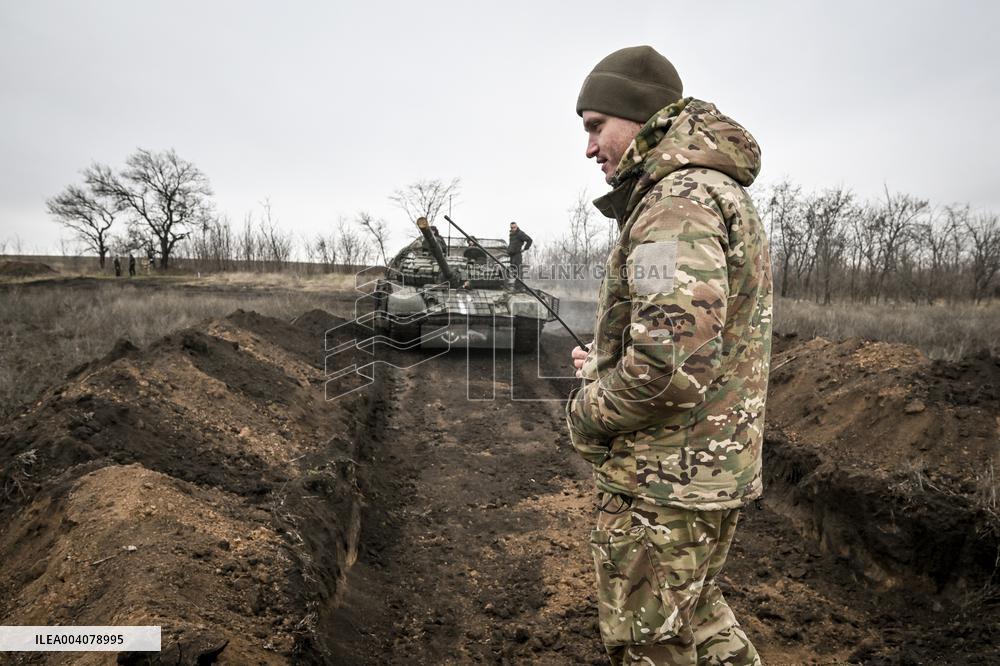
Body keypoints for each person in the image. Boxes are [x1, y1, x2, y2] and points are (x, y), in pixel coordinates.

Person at [565, 45, 772, 665]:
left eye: (596, 127)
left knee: (650, 643)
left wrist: (586, 412)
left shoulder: (675, 205)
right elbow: (681, 341)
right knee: (700, 621)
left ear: (640, 116)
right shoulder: (708, 190)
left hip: (663, 480)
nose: (589, 147)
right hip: (703, 471)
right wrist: (607, 362)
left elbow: (666, 371)